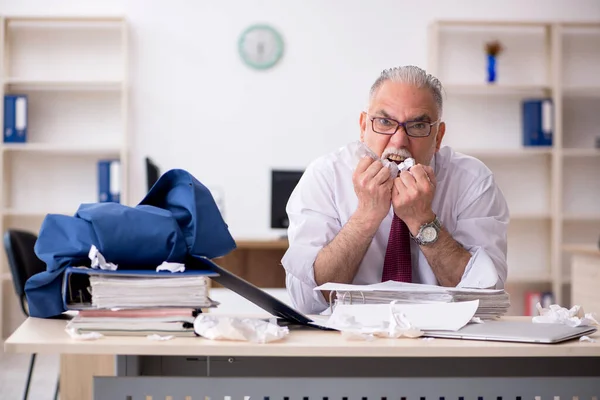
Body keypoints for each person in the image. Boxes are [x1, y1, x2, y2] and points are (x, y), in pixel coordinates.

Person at [281, 65, 509, 315]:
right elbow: (308, 300)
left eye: (418, 126)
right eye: (384, 122)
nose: (399, 140)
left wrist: (423, 220)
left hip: (443, 344)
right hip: (348, 341)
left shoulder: (472, 181)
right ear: (363, 126)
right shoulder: (326, 176)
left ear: (439, 136)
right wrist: (365, 217)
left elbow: (485, 300)